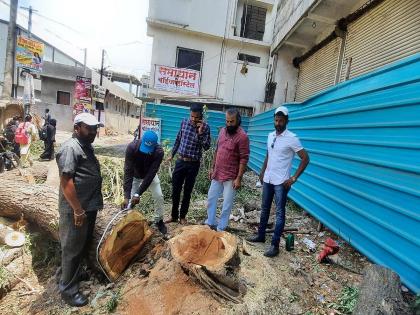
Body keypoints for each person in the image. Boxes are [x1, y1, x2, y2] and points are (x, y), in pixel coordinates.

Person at [247, 106, 310, 257]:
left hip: (282, 182)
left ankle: (275, 245)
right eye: (276, 120)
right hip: (268, 178)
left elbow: (305, 158)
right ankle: (261, 235)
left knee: (280, 213)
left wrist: (293, 178)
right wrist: (262, 172)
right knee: (265, 209)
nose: (278, 123)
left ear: (287, 121)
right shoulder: (270, 136)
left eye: (281, 121)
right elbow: (269, 155)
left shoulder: (292, 138)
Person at [55, 112, 103, 307]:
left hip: (87, 205)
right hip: (76, 208)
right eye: (88, 128)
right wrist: (77, 210)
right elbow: (66, 182)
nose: (93, 132)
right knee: (72, 248)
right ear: (77, 128)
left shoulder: (86, 146)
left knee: (81, 244)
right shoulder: (70, 148)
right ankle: (68, 289)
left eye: (95, 128)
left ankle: (73, 273)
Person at [205, 108, 249, 231]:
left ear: (238, 121)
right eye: (227, 121)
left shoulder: (242, 137)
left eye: (232, 121)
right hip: (218, 172)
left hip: (231, 176)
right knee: (211, 198)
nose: (229, 124)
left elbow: (244, 159)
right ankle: (210, 221)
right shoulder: (222, 131)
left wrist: (239, 178)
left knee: (226, 204)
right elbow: (217, 150)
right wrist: (212, 168)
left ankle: (221, 227)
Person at [167, 104, 211, 224]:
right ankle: (173, 216)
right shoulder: (184, 123)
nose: (193, 119)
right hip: (180, 161)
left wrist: (200, 132)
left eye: (196, 117)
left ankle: (182, 217)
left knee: (187, 191)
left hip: (193, 164)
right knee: (175, 190)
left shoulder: (205, 127)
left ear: (201, 116)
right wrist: (172, 154)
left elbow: (207, 147)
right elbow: (178, 140)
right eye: (192, 116)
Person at [122, 130, 167, 234]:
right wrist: (126, 196)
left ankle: (159, 220)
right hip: (135, 175)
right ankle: (131, 222)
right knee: (130, 203)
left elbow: (151, 174)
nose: (146, 152)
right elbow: (128, 171)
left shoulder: (159, 152)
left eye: (149, 150)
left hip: (149, 176)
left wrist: (138, 193)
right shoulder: (132, 147)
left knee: (159, 196)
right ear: (141, 141)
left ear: (155, 145)